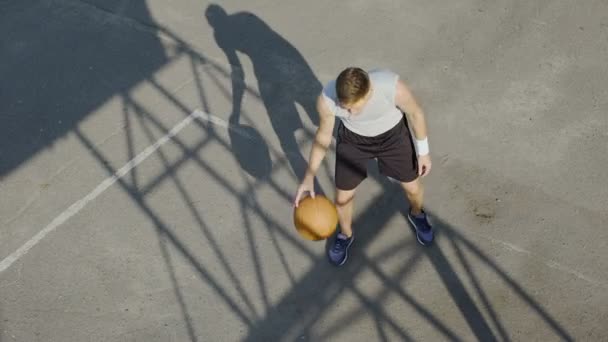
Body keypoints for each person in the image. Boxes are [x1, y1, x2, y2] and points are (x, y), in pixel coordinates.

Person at [293, 67, 433, 266]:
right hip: (353, 141)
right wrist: (309, 176)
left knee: (413, 187)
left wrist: (423, 152)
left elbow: (415, 113)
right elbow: (323, 137)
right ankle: (345, 234)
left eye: (355, 108)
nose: (350, 113)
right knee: (342, 199)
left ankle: (417, 214)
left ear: (369, 93)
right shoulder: (327, 99)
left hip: (393, 136)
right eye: (346, 108)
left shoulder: (390, 86)